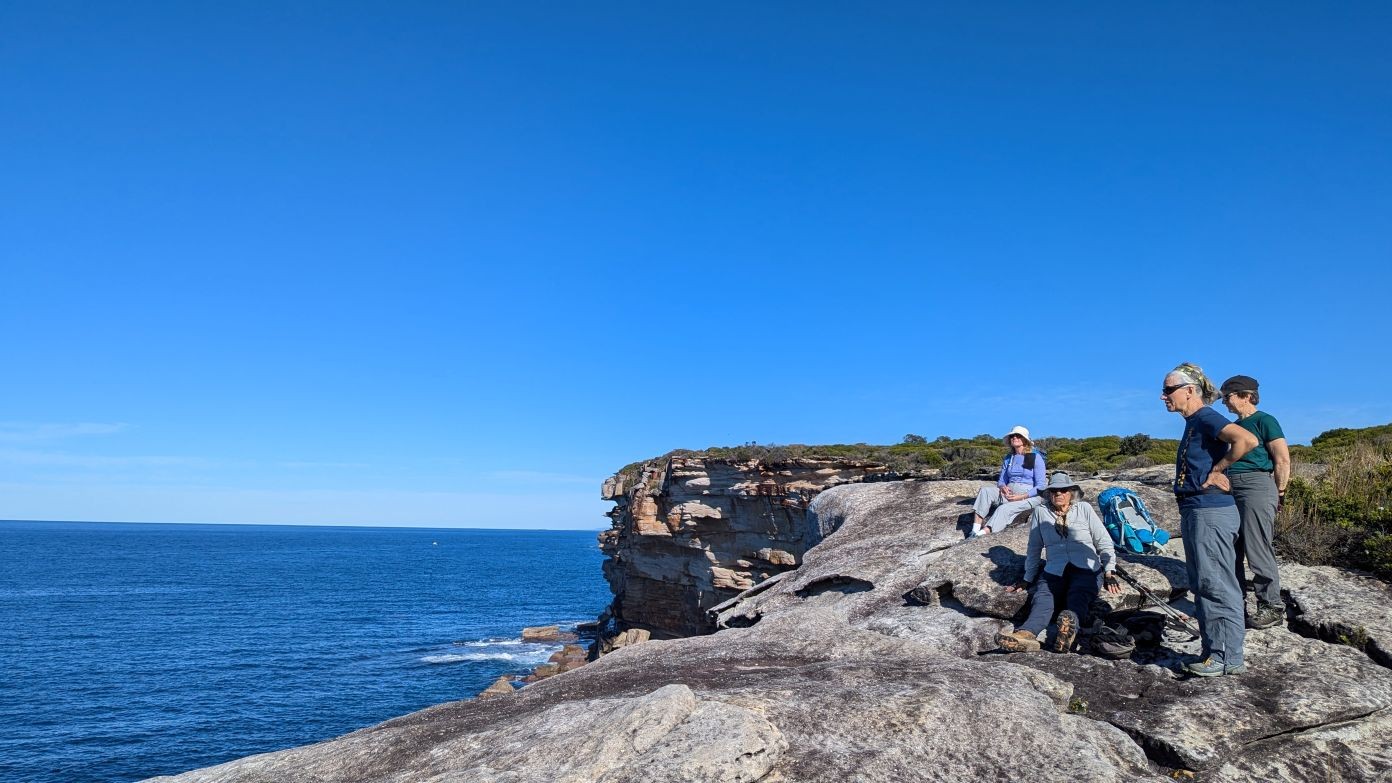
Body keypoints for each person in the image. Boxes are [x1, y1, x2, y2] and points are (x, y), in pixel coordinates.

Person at [1162, 363, 1258, 677]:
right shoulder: (1194, 421)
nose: (1164, 397)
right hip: (1198, 510)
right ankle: (1217, 654)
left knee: (1215, 583)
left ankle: (1224, 656)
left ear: (1190, 390)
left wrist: (1218, 470)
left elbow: (1245, 439)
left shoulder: (1204, 416)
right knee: (1206, 582)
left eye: (1168, 390)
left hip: (1209, 511)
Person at [997, 472, 1122, 653]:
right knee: (1043, 597)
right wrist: (1027, 578)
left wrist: (1109, 571)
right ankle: (1026, 634)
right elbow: (1034, 548)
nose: (1058, 494)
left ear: (1071, 492)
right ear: (1048, 494)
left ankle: (1069, 630)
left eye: (1063, 490)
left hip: (1086, 568)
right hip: (1054, 569)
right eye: (1054, 491)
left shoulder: (1084, 509)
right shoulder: (1040, 512)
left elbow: (1103, 541)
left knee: (1078, 596)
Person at [1220, 375, 1291, 630]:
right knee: (1231, 548)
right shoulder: (1233, 426)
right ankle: (1234, 605)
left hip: (1256, 485)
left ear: (1246, 395)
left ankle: (1271, 606)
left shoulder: (1265, 420)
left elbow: (1282, 458)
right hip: (1229, 487)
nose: (1225, 403)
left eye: (1227, 397)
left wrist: (1280, 491)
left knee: (1257, 546)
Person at [970, 425, 1047, 537]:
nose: (1014, 437)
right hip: (1009, 494)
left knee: (1004, 508)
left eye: (1018, 435)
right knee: (985, 491)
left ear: (1025, 439)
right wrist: (1003, 487)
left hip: (1028, 496)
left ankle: (981, 534)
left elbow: (1040, 486)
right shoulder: (1009, 458)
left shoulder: (1032, 456)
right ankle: (974, 530)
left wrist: (1021, 497)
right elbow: (1001, 480)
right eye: (1012, 436)